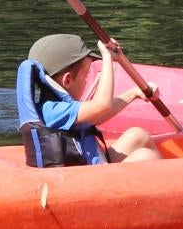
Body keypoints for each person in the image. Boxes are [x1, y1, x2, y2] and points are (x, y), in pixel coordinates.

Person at [16, 34, 161, 164]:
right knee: (146, 156)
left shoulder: (61, 107)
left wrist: (134, 93)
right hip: (86, 178)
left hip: (93, 166)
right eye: (85, 77)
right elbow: (102, 105)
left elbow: (99, 115)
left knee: (138, 135)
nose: (87, 81)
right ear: (67, 80)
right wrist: (107, 58)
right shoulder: (53, 111)